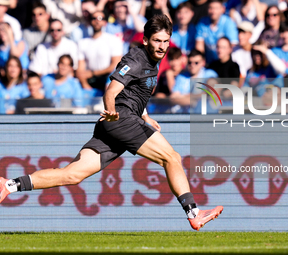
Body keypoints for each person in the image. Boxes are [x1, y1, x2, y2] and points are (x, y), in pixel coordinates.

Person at [0, 14, 223, 231]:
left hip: (119, 122)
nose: (162, 46)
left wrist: (145, 116)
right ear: (145, 40)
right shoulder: (136, 60)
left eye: (166, 41)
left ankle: (9, 185)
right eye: (157, 40)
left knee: (72, 174)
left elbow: (134, 92)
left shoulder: (152, 63)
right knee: (171, 157)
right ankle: (194, 214)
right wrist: (112, 111)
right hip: (120, 119)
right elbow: (112, 90)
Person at [77, 11, 123, 94]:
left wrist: (93, 73)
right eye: (94, 18)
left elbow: (115, 65)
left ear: (105, 22)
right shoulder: (82, 43)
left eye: (100, 18)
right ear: (90, 21)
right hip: (90, 79)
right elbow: (80, 69)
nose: (97, 21)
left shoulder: (113, 40)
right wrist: (85, 84)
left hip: (108, 78)